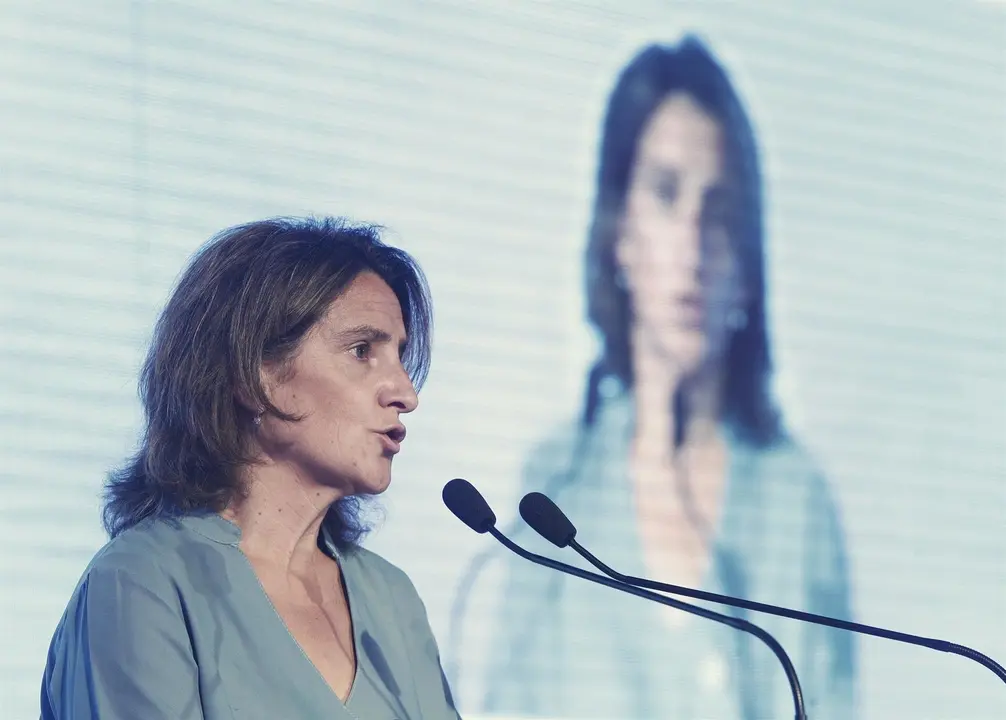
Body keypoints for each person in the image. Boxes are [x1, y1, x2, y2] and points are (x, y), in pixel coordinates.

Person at [457, 37, 857, 718]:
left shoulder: (798, 499)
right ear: (620, 232)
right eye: (667, 195)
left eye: (721, 210)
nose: (696, 246)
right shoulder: (554, 485)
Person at [40, 217, 461, 719]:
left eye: (401, 356)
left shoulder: (392, 600)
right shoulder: (144, 581)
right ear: (253, 375)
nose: (406, 394)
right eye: (362, 350)